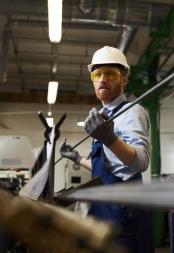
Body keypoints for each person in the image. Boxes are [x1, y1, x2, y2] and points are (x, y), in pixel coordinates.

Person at [59, 46, 154, 253]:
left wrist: (110, 139)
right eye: (97, 74)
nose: (103, 79)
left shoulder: (132, 112)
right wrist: (76, 158)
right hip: (103, 210)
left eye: (110, 73)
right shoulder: (103, 114)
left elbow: (141, 162)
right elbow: (107, 167)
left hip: (124, 215)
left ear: (123, 80)